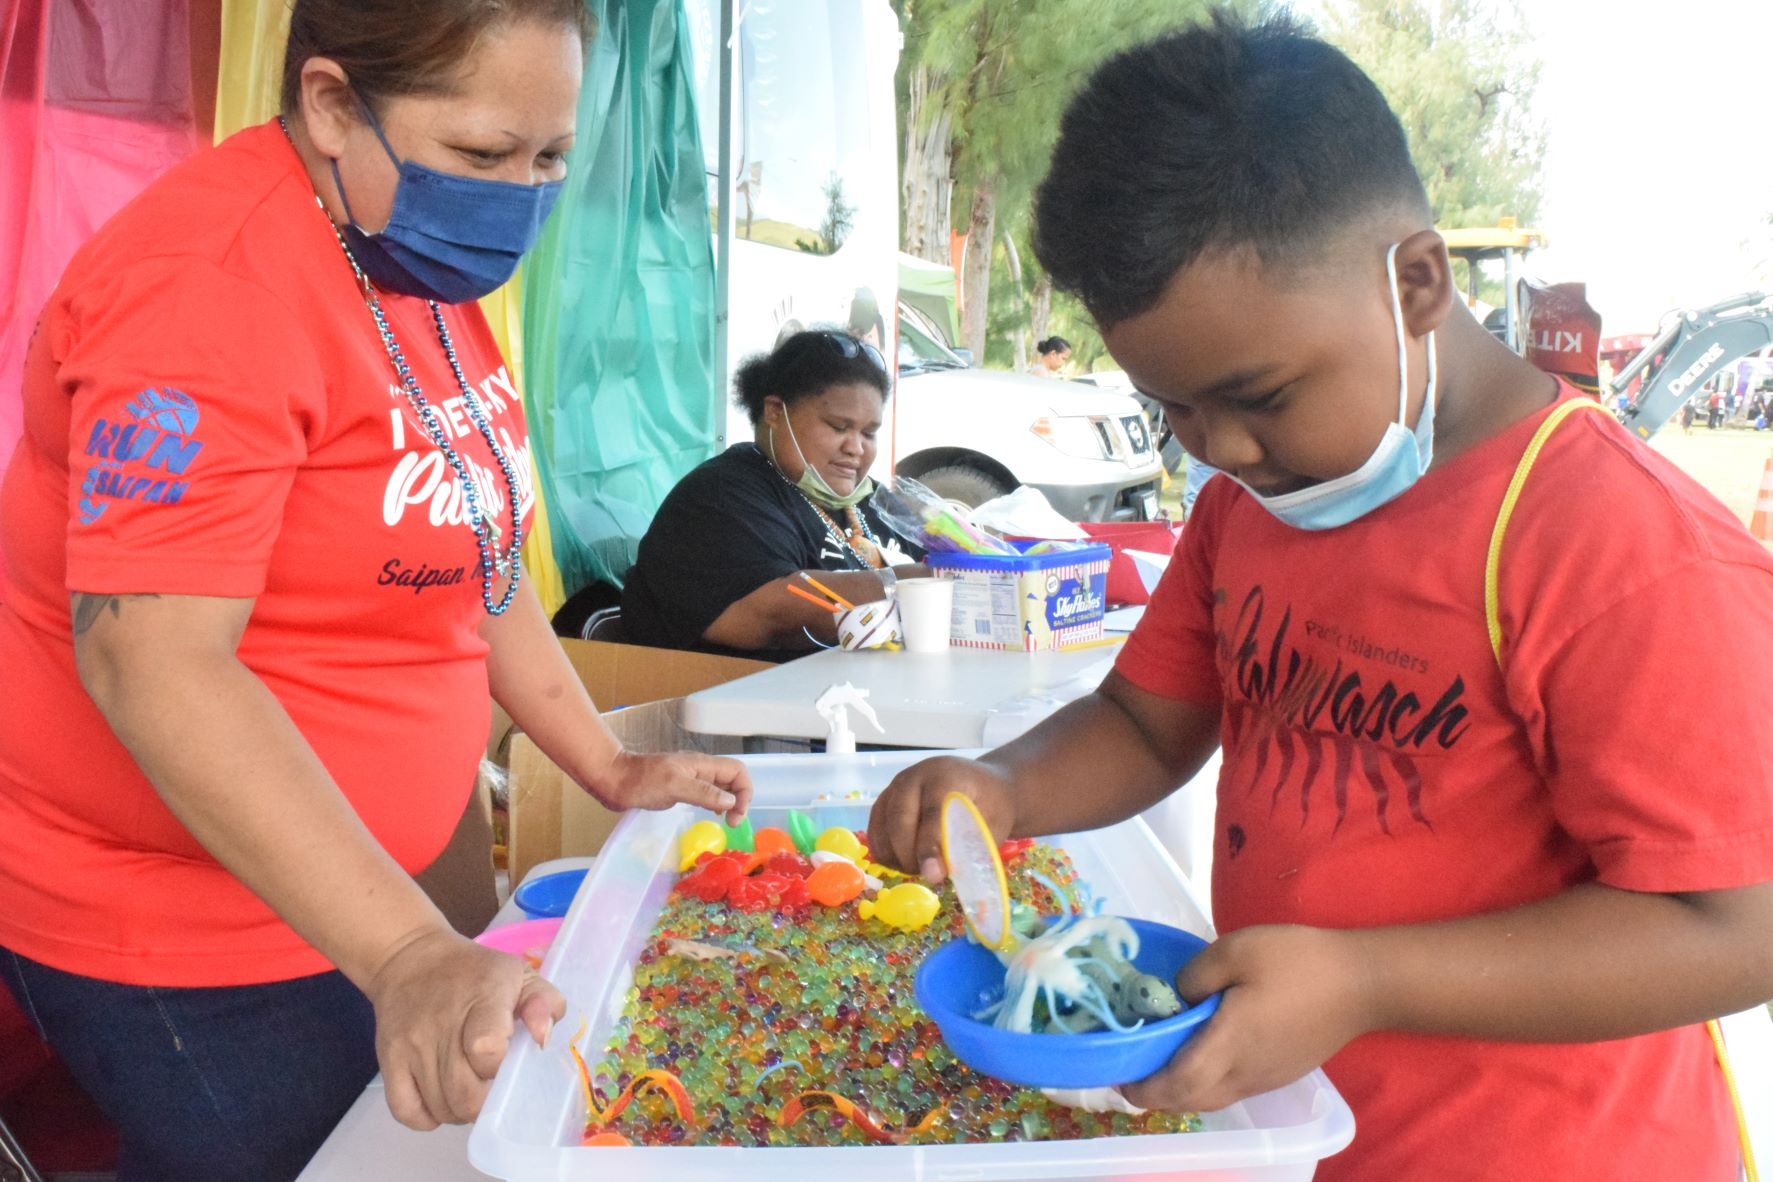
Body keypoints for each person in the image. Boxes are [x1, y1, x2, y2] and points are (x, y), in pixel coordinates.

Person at [869, 13, 1773, 1181]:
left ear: (1417, 282)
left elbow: (1738, 928)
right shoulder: (1252, 508)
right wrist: (1005, 787)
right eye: (1176, 410)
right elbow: (1148, 724)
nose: (1224, 449)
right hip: (1299, 1131)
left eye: (1262, 395)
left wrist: (1364, 980)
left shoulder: (1617, 547)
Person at [0, 3, 753, 1179]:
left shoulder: (407, 249)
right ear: (332, 103)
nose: (523, 196)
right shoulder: (208, 289)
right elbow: (151, 658)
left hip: (353, 897)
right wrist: (405, 951)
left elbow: (475, 551)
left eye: (552, 157)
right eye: (485, 156)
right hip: (190, 935)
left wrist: (600, 763)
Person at [622, 329, 926, 661]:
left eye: (869, 433)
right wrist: (918, 586)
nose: (855, 448)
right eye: (839, 427)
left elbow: (936, 559)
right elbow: (774, 615)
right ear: (774, 412)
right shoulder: (720, 496)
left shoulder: (869, 501)